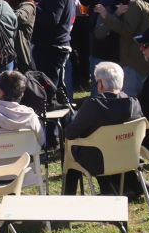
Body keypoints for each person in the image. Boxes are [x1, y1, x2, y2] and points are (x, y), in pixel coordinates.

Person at [61, 61, 144, 195]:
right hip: (128, 156)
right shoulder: (134, 104)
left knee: (71, 148)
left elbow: (70, 133)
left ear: (100, 84)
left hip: (100, 162)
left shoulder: (93, 105)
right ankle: (127, 185)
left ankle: (68, 196)